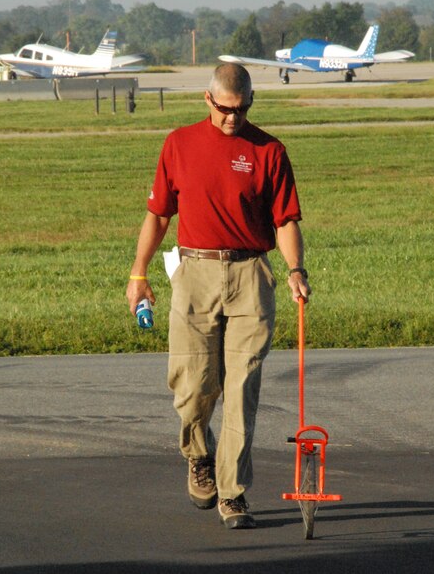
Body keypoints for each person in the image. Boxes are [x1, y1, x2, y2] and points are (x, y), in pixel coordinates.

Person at [126, 63, 311, 529]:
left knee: (242, 388)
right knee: (192, 387)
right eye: (227, 109)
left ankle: (233, 493)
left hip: (251, 272)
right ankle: (199, 456)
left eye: (244, 108)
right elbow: (158, 215)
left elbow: (286, 218)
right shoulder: (179, 144)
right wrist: (138, 273)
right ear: (208, 100)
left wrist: (294, 270)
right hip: (195, 271)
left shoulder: (269, 149)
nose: (235, 118)